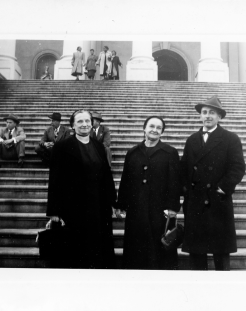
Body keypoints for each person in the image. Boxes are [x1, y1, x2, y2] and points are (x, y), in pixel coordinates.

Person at [179, 95, 246, 271]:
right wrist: (186, 190)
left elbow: (238, 167)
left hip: (217, 201)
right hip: (195, 202)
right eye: (204, 112)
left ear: (220, 117)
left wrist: (224, 187)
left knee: (220, 252)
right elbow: (184, 167)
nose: (208, 116)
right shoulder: (192, 139)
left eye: (212, 113)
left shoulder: (230, 138)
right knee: (196, 253)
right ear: (200, 115)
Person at [46, 110, 117, 269]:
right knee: (75, 249)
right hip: (73, 206)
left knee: (97, 246)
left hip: (98, 205)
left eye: (87, 121)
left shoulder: (99, 146)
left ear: (92, 123)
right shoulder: (61, 146)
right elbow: (55, 180)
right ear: (72, 125)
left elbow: (106, 175)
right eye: (80, 121)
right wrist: (54, 211)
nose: (84, 124)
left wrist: (112, 202)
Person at [116, 116, 181, 270]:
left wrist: (173, 206)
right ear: (144, 128)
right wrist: (121, 204)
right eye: (151, 126)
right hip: (136, 208)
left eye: (159, 128)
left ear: (162, 132)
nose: (154, 130)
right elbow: (126, 180)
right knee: (136, 247)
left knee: (157, 248)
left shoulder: (170, 152)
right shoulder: (133, 152)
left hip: (160, 210)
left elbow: (174, 181)